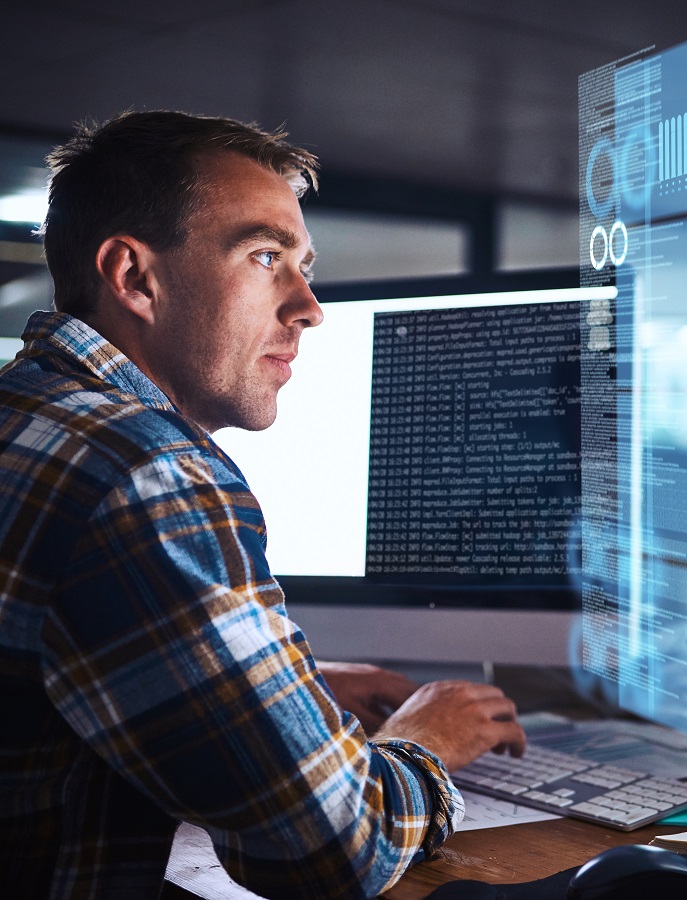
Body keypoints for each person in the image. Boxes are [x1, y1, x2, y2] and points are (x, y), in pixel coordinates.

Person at [0, 110, 525, 899]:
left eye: (304, 264)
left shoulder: (28, 413)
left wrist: (294, 686)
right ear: (135, 277)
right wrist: (425, 740)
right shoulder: (146, 469)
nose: (309, 306)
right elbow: (334, 848)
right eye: (266, 255)